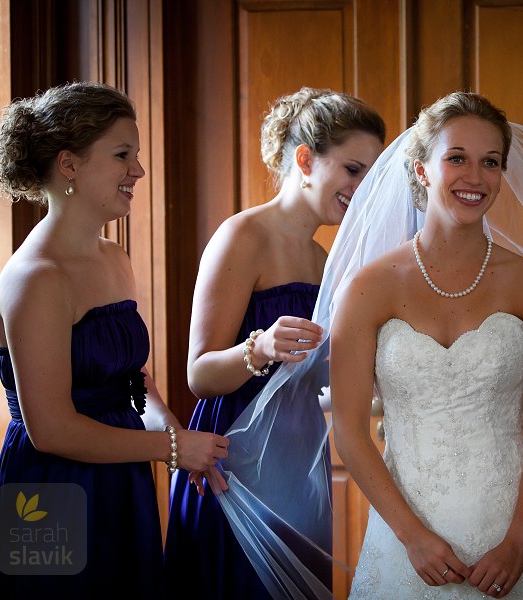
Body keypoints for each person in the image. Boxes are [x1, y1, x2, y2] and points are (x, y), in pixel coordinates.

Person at [0, 81, 230, 597]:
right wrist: (170, 447)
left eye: (135, 156)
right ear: (68, 165)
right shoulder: (36, 278)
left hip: (122, 476)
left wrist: (167, 423)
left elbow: (130, 378)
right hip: (51, 488)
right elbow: (51, 430)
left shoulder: (114, 259)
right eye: (122, 155)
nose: (137, 170)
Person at [330, 91, 523, 599]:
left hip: (511, 536)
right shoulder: (366, 288)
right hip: (407, 540)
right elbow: (350, 432)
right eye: (457, 158)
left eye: (491, 162)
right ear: (421, 170)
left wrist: (519, 542)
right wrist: (412, 537)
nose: (476, 177)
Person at [164, 86, 385, 598]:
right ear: (306, 159)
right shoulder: (242, 237)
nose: (363, 187)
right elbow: (199, 375)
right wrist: (258, 348)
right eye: (354, 170)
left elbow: (315, 376)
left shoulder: (321, 261)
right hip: (234, 460)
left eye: (371, 176)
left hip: (300, 466)